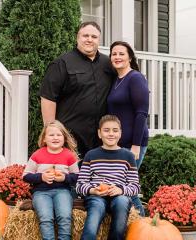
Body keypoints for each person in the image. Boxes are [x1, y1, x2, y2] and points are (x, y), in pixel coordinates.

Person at [40, 21, 114, 159]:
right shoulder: (62, 63)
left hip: (100, 138)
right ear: (77, 38)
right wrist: (50, 132)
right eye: (85, 35)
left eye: (94, 36)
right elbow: (48, 97)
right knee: (70, 178)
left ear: (99, 40)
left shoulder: (108, 64)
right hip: (70, 137)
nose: (89, 39)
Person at [76, 115, 140, 240]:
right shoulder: (91, 155)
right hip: (96, 196)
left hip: (119, 196)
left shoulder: (128, 156)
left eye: (115, 130)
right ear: (99, 133)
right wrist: (93, 190)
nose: (111, 134)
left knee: (122, 202)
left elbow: (135, 186)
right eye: (106, 130)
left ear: (120, 133)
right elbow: (80, 185)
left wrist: (121, 190)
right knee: (95, 213)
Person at [107, 41, 149, 216]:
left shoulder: (135, 78)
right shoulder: (117, 80)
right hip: (118, 144)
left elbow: (141, 113)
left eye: (121, 54)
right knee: (119, 187)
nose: (117, 57)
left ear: (129, 57)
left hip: (133, 143)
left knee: (127, 188)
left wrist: (136, 145)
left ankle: (144, 227)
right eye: (114, 54)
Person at [23, 121, 79, 240]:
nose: (55, 138)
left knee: (64, 217)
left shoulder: (69, 156)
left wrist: (64, 178)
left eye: (58, 135)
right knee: (46, 218)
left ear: (64, 138)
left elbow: (77, 176)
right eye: (51, 135)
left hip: (62, 191)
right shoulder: (37, 155)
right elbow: (26, 176)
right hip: (41, 193)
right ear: (44, 139)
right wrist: (41, 177)